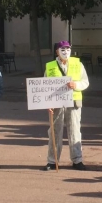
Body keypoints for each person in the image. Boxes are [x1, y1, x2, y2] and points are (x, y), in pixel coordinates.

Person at [43, 41, 89, 170]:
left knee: (74, 130)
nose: (66, 52)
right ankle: (52, 161)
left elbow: (85, 82)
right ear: (57, 51)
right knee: (55, 131)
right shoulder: (50, 66)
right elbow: (44, 86)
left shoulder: (78, 64)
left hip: (74, 101)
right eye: (63, 49)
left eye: (68, 49)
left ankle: (77, 160)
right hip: (56, 102)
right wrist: (47, 103)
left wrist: (76, 85)